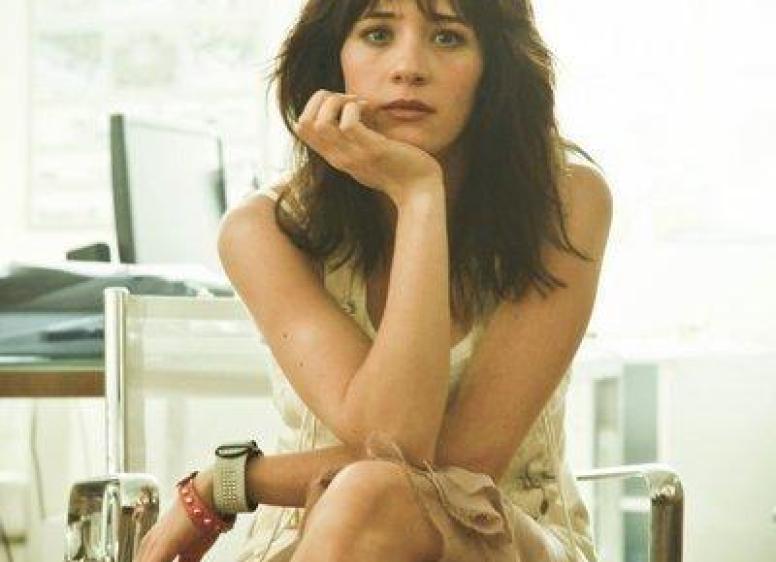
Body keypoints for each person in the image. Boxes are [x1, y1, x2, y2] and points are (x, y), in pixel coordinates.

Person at [136, 0, 613, 560]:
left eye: (448, 37)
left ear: (494, 65)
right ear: (333, 57)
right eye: (378, 33)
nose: (408, 67)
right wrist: (416, 196)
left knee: (371, 494)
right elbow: (394, 440)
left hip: (501, 533)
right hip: (314, 539)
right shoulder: (265, 227)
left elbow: (453, 472)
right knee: (366, 497)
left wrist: (232, 480)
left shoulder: (566, 200)